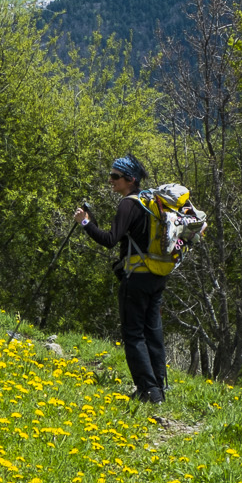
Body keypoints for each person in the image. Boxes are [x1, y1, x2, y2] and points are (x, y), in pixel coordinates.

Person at [74, 154, 168, 404]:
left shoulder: (128, 204)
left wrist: (85, 223)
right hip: (157, 275)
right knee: (153, 333)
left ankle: (148, 391)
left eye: (115, 176)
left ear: (130, 179)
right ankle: (159, 387)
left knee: (134, 335)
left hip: (136, 276)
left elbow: (109, 240)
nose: (110, 181)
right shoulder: (151, 202)